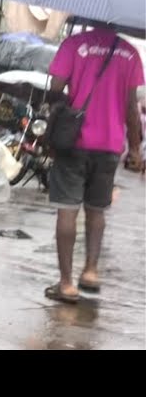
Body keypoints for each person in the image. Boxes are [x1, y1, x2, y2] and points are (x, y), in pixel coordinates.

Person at [42, 21, 144, 303]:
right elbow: (130, 107)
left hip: (74, 141)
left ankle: (66, 284)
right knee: (97, 211)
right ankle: (90, 271)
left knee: (67, 210)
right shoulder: (130, 53)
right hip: (110, 145)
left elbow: (56, 86)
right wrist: (135, 148)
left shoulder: (74, 45)